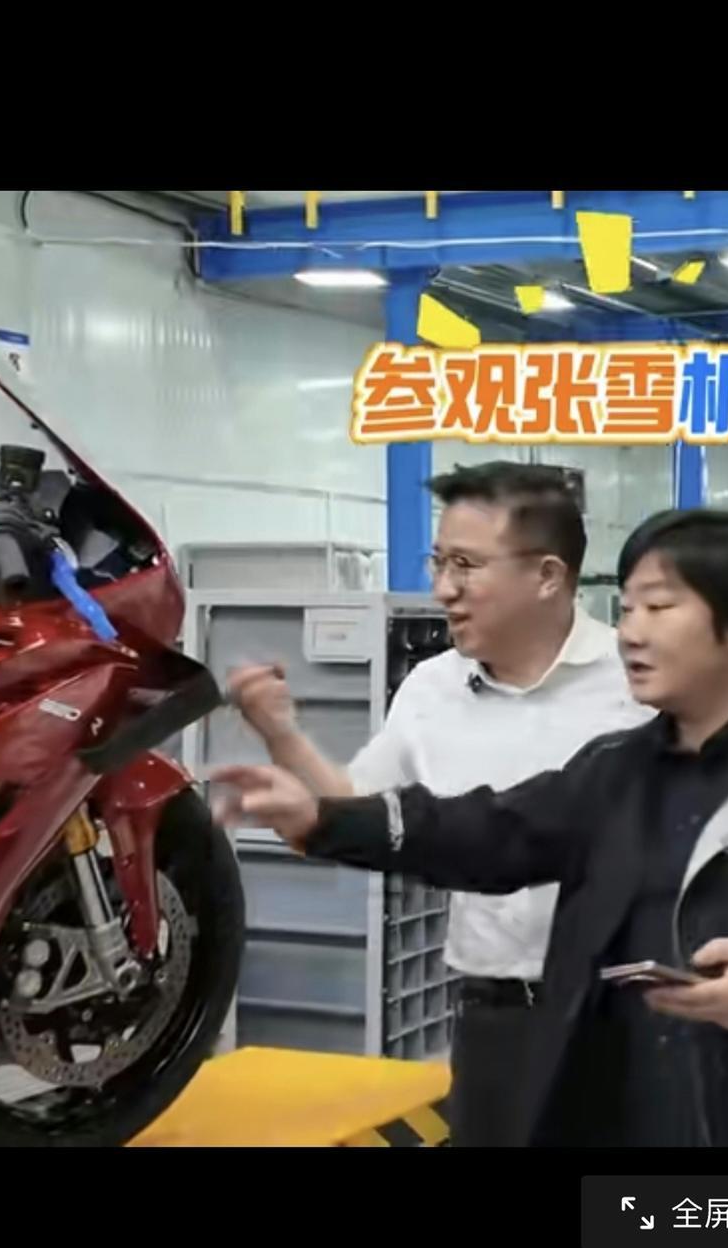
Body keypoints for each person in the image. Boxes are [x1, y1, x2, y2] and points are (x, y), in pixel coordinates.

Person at [213, 509, 728, 1151]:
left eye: (660, 607)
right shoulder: (615, 770)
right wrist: (324, 819)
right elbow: (485, 832)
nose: (631, 632)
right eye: (625, 608)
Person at [224, 461, 649, 1147]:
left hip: (628, 1015)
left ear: (547, 575)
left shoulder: (636, 684)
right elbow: (359, 810)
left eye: (466, 565)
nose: (443, 587)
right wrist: (281, 734)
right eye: (439, 561)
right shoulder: (431, 690)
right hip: (495, 1015)